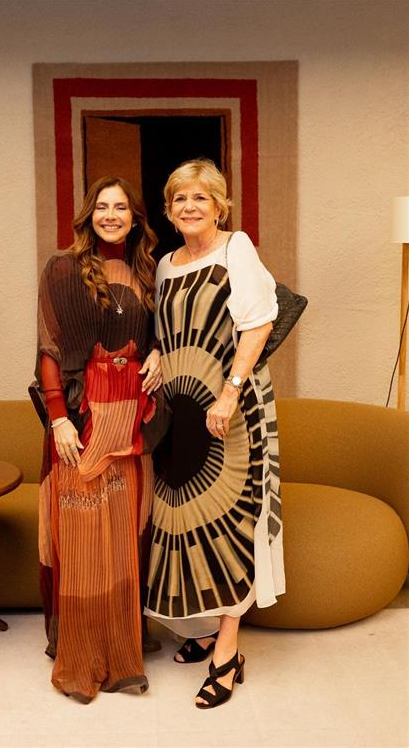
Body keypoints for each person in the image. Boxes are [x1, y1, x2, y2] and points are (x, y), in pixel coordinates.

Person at [145, 159, 285, 709]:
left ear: (220, 206)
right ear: (168, 210)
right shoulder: (165, 265)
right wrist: (156, 353)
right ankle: (204, 629)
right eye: (180, 198)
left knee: (232, 520)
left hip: (230, 406)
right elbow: (169, 331)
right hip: (180, 410)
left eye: (200, 197)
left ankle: (227, 651)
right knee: (187, 519)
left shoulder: (236, 249)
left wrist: (230, 393)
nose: (190, 207)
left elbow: (259, 323)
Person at [34, 176, 165, 704]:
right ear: (88, 214)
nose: (111, 215)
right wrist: (58, 418)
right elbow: (49, 347)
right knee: (82, 535)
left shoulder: (147, 271)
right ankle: (84, 647)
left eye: (121, 207)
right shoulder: (62, 269)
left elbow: (159, 336)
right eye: (102, 207)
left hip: (131, 420)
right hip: (80, 419)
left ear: (135, 218)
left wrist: (159, 353)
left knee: (123, 533)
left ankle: (121, 639)